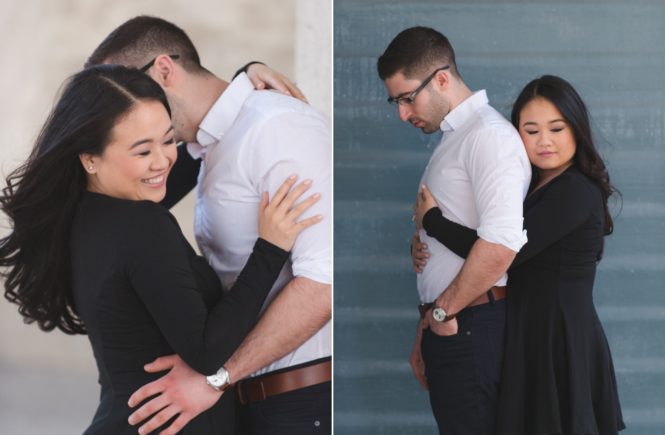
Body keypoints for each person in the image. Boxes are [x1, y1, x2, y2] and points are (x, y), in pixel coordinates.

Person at [0, 65, 321, 434]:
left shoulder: (82, 214)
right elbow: (206, 351)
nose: (162, 161)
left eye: (168, 140)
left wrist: (241, 83)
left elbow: (186, 158)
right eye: (142, 150)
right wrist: (270, 248)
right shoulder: (141, 226)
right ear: (89, 158)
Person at [84, 16, 332, 434]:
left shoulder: (277, 127)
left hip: (296, 401)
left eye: (128, 93)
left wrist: (217, 377)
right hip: (242, 399)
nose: (122, 112)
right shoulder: (200, 147)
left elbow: (324, 284)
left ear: (164, 69)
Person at [413, 75, 625, 435]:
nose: (545, 141)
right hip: (528, 330)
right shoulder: (535, 184)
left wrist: (433, 221)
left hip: (557, 337)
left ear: (576, 128)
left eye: (556, 129)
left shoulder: (574, 189)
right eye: (531, 130)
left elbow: (502, 250)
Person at [377, 27, 531, 434]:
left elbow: (502, 244)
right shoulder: (458, 137)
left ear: (442, 79)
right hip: (456, 325)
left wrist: (441, 312)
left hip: (472, 328)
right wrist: (427, 320)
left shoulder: (487, 137)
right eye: (396, 102)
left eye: (408, 98)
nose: (403, 114)